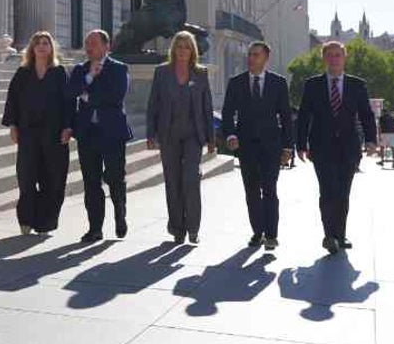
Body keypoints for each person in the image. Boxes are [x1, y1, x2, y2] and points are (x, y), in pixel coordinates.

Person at [296, 41, 378, 254]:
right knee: (327, 192)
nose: (334, 59)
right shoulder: (313, 85)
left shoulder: (357, 85)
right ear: (324, 59)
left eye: (337, 55)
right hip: (321, 148)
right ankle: (329, 235)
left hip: (348, 148)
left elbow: (366, 115)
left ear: (344, 58)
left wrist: (371, 140)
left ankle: (340, 235)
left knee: (343, 193)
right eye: (330, 55)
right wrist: (300, 144)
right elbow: (304, 115)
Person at [221, 41, 294, 251]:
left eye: (256, 55)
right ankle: (257, 232)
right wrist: (231, 135)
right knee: (252, 190)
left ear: (265, 58)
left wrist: (288, 147)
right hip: (246, 146)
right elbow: (227, 113)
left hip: (272, 145)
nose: (251, 58)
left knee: (270, 189)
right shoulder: (236, 82)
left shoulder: (278, 83)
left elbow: (286, 117)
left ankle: (271, 235)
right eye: (250, 55)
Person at [146, 31, 215, 245]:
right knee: (172, 181)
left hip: (193, 135)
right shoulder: (162, 73)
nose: (183, 51)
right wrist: (150, 134)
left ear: (192, 50)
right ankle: (177, 227)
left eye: (187, 47)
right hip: (169, 134)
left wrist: (211, 138)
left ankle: (193, 228)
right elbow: (153, 104)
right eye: (179, 46)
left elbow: (207, 107)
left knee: (191, 180)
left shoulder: (200, 73)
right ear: (173, 49)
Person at [2, 32, 74, 236]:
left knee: (53, 178)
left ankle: (45, 222)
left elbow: (69, 102)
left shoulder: (59, 73)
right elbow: (12, 101)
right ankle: (26, 219)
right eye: (38, 44)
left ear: (51, 48)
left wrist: (68, 127)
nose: (42, 47)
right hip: (28, 133)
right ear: (32, 49)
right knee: (26, 177)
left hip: (54, 133)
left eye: (45, 43)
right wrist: (13, 126)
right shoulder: (23, 73)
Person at [68, 30, 133, 243]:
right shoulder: (80, 70)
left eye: (93, 44)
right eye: (87, 44)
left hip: (113, 133)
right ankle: (95, 228)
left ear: (106, 47)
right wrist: (89, 77)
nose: (89, 48)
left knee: (115, 176)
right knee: (91, 182)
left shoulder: (119, 68)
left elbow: (116, 96)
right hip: (88, 133)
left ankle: (120, 213)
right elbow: (71, 92)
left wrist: (87, 96)